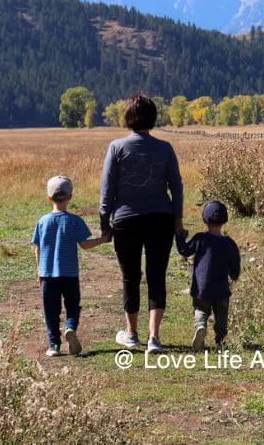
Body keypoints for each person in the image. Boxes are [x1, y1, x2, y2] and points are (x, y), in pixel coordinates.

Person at [99, 93, 184, 353]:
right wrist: (178, 222)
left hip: (126, 219)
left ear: (128, 118)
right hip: (161, 218)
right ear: (152, 118)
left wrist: (105, 223)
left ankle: (132, 333)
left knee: (130, 277)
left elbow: (107, 190)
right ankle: (154, 337)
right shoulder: (165, 148)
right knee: (157, 275)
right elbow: (177, 188)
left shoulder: (116, 147)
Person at [32, 175, 109, 357]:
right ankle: (70, 327)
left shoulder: (42, 222)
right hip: (70, 274)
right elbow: (85, 244)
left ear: (48, 198)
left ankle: (54, 346)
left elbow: (38, 248)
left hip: (47, 274)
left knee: (51, 310)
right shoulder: (75, 221)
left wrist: (39, 271)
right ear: (70, 197)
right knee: (73, 305)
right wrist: (104, 239)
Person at [175, 201, 241, 350]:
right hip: (221, 289)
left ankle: (200, 326)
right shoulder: (229, 243)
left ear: (205, 219)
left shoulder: (200, 239)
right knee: (221, 314)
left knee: (201, 310)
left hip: (201, 288)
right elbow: (235, 264)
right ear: (225, 220)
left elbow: (184, 251)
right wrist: (234, 275)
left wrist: (180, 236)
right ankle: (221, 341)